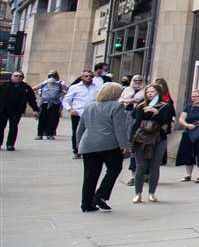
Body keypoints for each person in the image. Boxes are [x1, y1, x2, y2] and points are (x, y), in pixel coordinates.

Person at [76, 83, 130, 212]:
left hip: (88, 143)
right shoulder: (117, 106)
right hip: (109, 144)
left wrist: (78, 144)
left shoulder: (89, 106)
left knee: (90, 175)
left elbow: (80, 128)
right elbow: (120, 129)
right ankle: (100, 195)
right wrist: (125, 146)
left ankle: (86, 204)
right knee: (114, 168)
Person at [128, 79, 175, 202]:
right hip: (141, 138)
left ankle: (152, 193)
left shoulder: (165, 106)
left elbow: (166, 122)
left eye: (152, 92)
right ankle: (138, 193)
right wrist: (130, 139)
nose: (149, 94)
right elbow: (136, 123)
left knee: (155, 166)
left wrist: (156, 112)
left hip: (158, 138)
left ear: (158, 92)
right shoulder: (140, 105)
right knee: (140, 166)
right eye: (147, 92)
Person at [0, 71, 38, 150]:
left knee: (13, 127)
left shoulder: (26, 88)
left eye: (20, 76)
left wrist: (35, 109)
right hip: (3, 110)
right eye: (16, 76)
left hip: (16, 111)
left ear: (23, 78)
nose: (18, 77)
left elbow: (32, 99)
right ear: (12, 77)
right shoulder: (4, 86)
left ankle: (10, 144)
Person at [63, 70, 97, 157]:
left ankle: (88, 150)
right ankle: (77, 150)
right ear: (82, 77)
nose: (88, 78)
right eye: (86, 76)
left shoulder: (96, 87)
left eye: (90, 76)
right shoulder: (75, 87)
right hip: (78, 114)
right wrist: (70, 110)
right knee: (77, 132)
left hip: (92, 114)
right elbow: (66, 100)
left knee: (90, 133)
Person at [35, 71, 65, 140]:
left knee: (53, 119)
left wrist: (59, 95)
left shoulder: (59, 84)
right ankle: (40, 134)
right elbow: (34, 88)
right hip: (44, 103)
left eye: (53, 76)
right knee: (42, 119)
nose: (52, 78)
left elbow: (67, 90)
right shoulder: (45, 83)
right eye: (50, 76)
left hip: (55, 104)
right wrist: (40, 94)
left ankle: (50, 134)